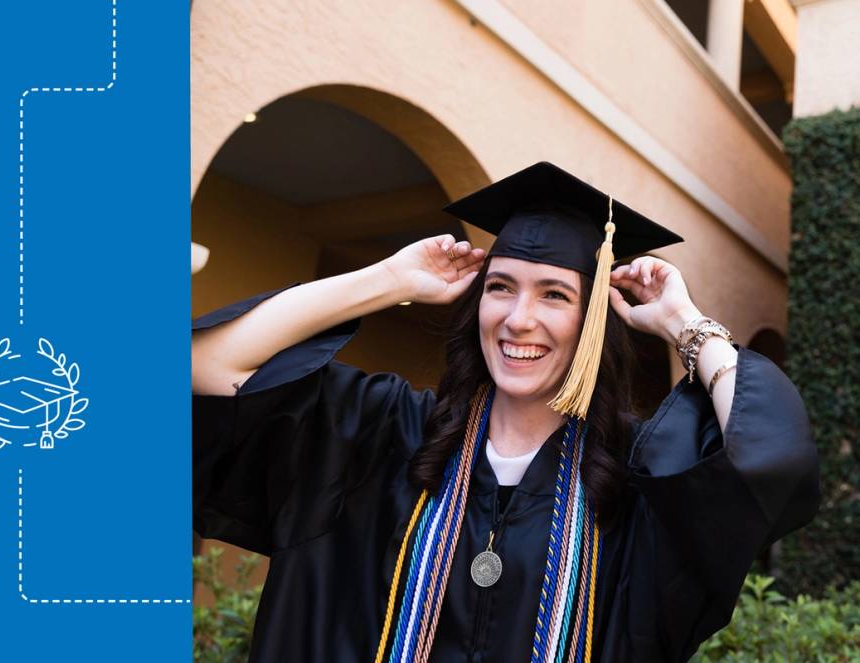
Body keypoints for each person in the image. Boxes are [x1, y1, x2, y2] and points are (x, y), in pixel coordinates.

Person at [191, 162, 820, 662]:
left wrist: (683, 323)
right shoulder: (381, 432)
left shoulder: (637, 483)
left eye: (555, 294)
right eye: (501, 287)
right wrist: (390, 280)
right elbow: (208, 371)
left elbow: (766, 458)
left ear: (591, 322)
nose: (520, 319)